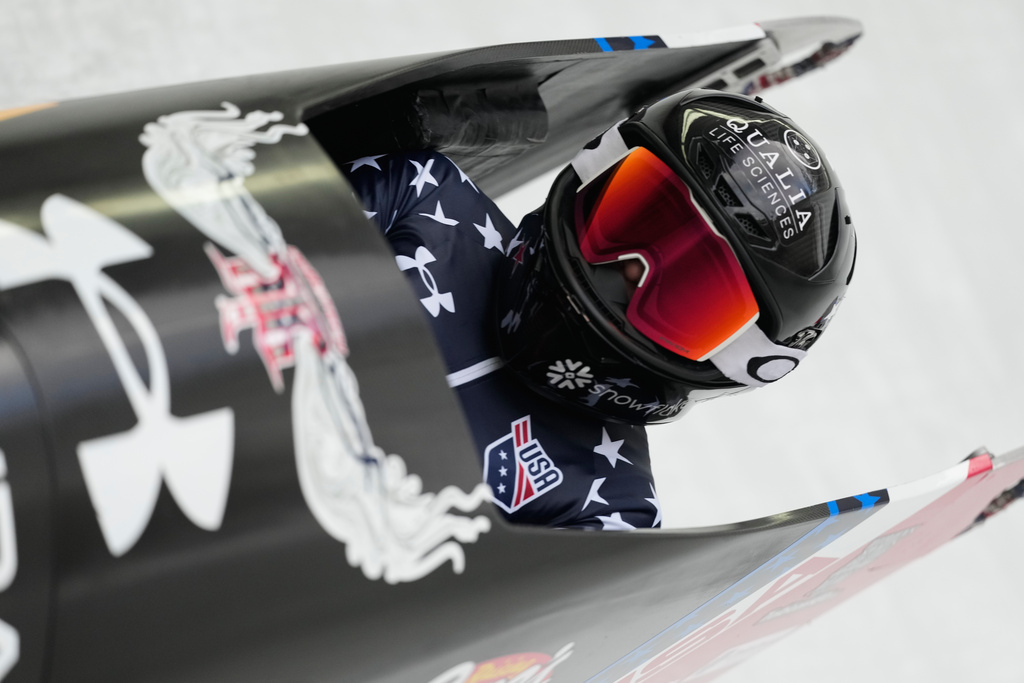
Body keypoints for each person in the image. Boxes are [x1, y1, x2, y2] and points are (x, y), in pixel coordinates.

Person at [343, 89, 856, 530]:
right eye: (637, 213)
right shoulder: (421, 195)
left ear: (732, 358)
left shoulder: (612, 511)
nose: (631, 270)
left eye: (693, 294)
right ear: (595, 176)